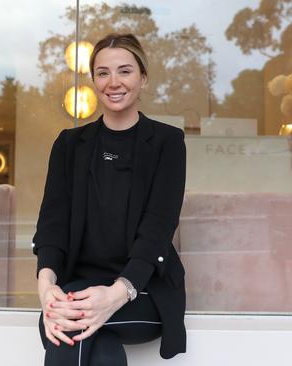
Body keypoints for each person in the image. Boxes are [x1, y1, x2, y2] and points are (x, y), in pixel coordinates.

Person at [32, 33, 186, 365]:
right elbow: (52, 224)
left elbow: (158, 229)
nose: (113, 82)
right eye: (103, 72)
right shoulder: (70, 144)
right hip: (80, 287)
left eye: (125, 71)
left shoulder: (167, 143)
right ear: (93, 80)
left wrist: (117, 293)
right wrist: (46, 289)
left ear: (143, 78)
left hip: (142, 290)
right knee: (99, 349)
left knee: (69, 330)